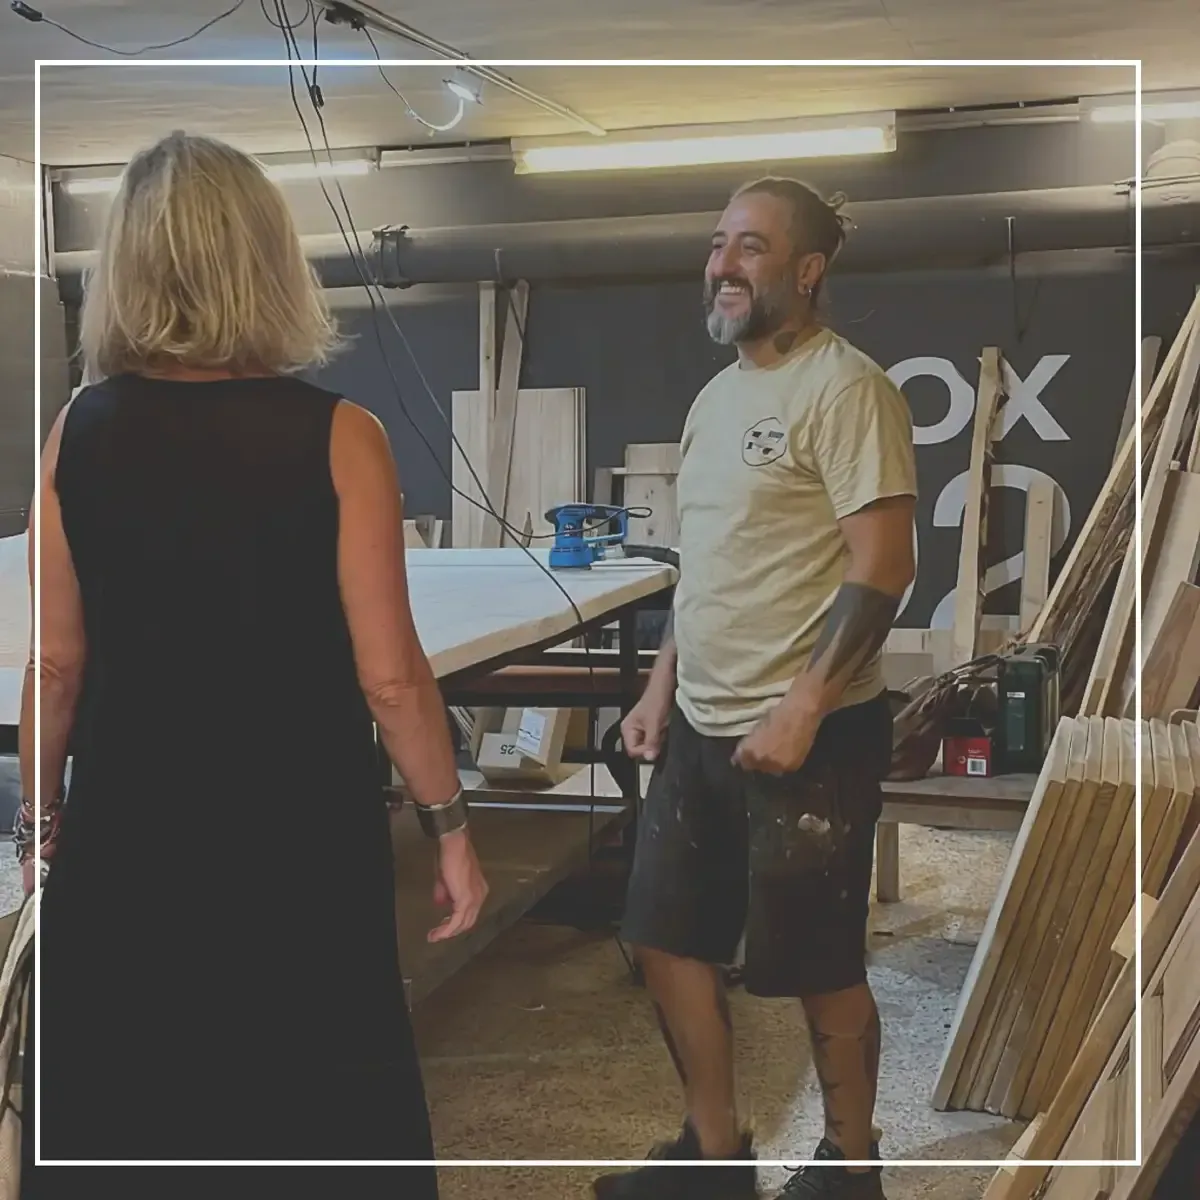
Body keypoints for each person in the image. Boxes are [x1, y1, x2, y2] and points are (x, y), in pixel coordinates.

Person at [17, 130, 486, 1191]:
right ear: (269, 260)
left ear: (127, 267)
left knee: (129, 1119)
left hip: (133, 839)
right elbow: (392, 677)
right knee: (308, 1113)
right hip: (298, 843)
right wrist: (449, 827)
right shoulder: (341, 436)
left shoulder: (75, 431)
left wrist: (39, 819)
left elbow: (55, 667)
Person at [594, 178, 917, 1200]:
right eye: (718, 244)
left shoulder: (846, 388)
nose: (723, 265)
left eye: (750, 247)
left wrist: (806, 703)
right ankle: (716, 1157)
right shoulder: (714, 399)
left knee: (818, 965)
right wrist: (658, 688)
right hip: (701, 723)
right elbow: (708, 565)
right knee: (664, 938)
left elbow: (884, 564)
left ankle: (852, 1169)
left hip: (813, 735)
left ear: (807, 271)